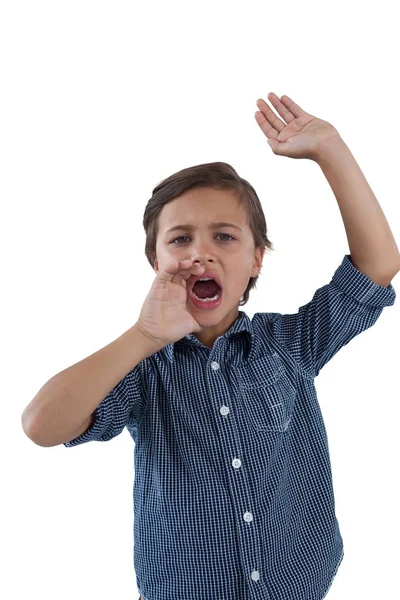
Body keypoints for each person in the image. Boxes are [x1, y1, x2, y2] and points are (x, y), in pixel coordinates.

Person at [21, 93, 399, 600]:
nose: (200, 253)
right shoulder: (142, 367)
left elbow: (377, 267)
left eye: (224, 237)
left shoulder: (289, 344)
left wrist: (329, 149)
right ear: (156, 262)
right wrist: (144, 337)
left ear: (256, 259)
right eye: (180, 240)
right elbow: (41, 426)